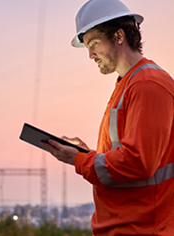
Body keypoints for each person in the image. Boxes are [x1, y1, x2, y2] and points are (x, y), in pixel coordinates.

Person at [42, 0, 174, 234]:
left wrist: (79, 160)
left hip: (143, 228)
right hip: (128, 225)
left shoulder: (147, 85)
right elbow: (123, 157)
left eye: (93, 43)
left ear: (119, 36)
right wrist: (85, 154)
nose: (90, 55)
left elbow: (138, 162)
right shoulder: (128, 84)